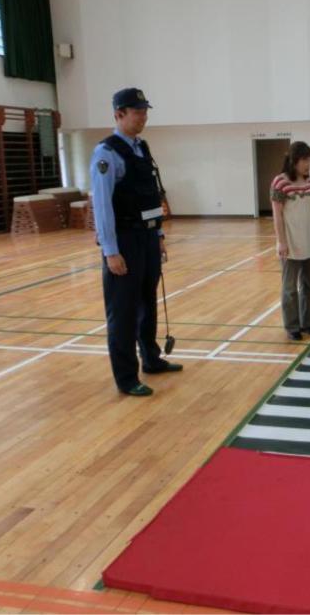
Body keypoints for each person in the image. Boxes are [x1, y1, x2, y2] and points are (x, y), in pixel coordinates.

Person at [91, 87, 182, 397]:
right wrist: (110, 251)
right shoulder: (107, 153)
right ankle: (126, 377)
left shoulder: (142, 148)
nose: (143, 116)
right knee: (124, 312)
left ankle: (152, 359)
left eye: (145, 110)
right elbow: (102, 207)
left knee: (147, 304)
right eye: (137, 111)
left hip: (146, 237)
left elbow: (150, 196)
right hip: (124, 241)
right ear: (119, 114)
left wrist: (158, 235)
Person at [271, 142, 310, 341]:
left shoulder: (309, 181)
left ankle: (307, 323)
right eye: (304, 160)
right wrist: (281, 241)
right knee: (290, 288)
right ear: (294, 160)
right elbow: (277, 214)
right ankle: (292, 326)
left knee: (308, 285)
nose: (308, 164)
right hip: (291, 243)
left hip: (309, 240)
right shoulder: (280, 182)